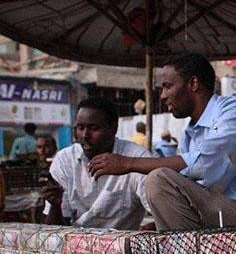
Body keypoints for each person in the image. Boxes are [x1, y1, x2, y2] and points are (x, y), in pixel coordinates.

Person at [87, 53, 236, 231]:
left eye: (167, 86)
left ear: (193, 84)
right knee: (160, 188)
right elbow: (195, 185)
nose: (163, 95)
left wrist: (128, 163)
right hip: (222, 210)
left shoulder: (235, 111)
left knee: (159, 180)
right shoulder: (189, 134)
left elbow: (204, 164)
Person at [42, 97, 153, 230]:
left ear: (113, 128)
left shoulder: (136, 157)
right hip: (73, 246)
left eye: (94, 128)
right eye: (80, 128)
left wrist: (153, 226)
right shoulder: (64, 160)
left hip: (120, 247)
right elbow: (53, 231)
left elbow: (162, 211)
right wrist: (55, 205)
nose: (84, 135)